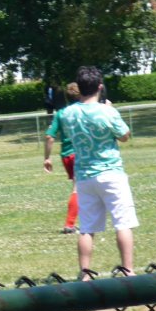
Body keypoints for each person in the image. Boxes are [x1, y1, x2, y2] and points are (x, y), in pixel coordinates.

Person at [59, 66, 137, 277]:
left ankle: (85, 274)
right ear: (100, 87)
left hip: (84, 176)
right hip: (111, 173)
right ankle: (128, 270)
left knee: (87, 228)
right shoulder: (107, 111)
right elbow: (124, 136)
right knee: (123, 223)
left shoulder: (68, 113)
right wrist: (110, 109)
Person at [43, 82, 81, 234]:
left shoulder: (60, 114)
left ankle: (79, 222)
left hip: (66, 155)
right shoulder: (84, 111)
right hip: (80, 154)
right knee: (79, 189)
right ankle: (69, 224)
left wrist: (47, 158)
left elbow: (49, 137)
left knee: (81, 188)